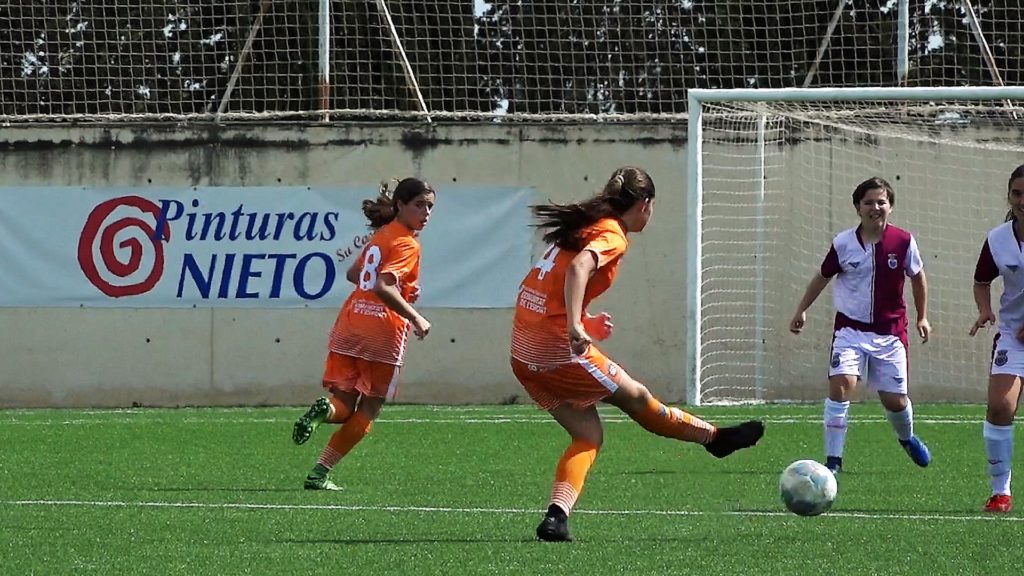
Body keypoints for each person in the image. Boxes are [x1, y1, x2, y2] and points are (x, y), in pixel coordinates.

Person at [510, 166, 765, 542]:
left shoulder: (586, 224)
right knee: (638, 398)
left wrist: (581, 320)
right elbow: (579, 267)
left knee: (588, 435)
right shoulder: (611, 233)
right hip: (552, 347)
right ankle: (714, 440)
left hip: (521, 349)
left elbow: (548, 281)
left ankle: (556, 517)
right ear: (644, 204)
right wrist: (573, 328)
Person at [291, 177, 435, 490]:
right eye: (419, 205)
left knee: (343, 404)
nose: (426, 213)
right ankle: (319, 472)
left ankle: (325, 410)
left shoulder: (382, 235)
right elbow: (383, 285)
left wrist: (402, 287)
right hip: (382, 332)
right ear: (400, 205)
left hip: (351, 322)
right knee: (369, 408)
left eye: (430, 207)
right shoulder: (407, 243)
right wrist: (415, 316)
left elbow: (355, 274)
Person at [789, 176, 932, 476]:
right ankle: (833, 461)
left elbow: (917, 277)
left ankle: (906, 438)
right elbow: (822, 276)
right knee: (842, 387)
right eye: (868, 202)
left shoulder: (903, 241)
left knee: (894, 401)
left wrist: (922, 316)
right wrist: (802, 309)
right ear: (858, 208)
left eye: (881, 202)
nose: (875, 207)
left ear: (890, 206)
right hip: (850, 331)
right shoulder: (843, 243)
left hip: (890, 332)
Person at [969, 163, 1024, 513]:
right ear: (1009, 196)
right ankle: (1000, 491)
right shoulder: (997, 239)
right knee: (1001, 407)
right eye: (1017, 194)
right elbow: (981, 280)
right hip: (1012, 335)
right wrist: (985, 309)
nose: (1023, 201)